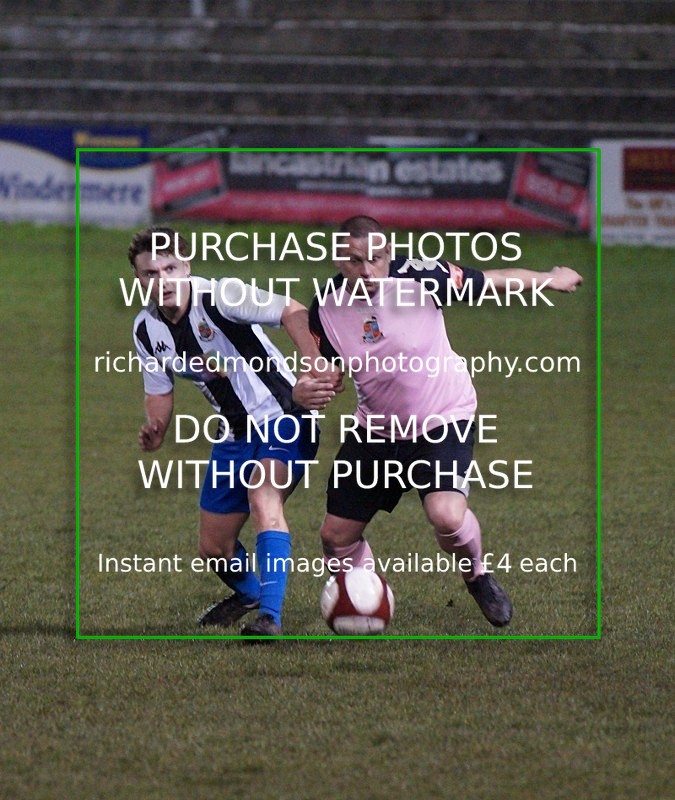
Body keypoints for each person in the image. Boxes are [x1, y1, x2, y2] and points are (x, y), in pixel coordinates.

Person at [303, 215, 583, 628]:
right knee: (335, 537)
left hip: (443, 418)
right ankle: (363, 598)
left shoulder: (422, 277)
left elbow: (492, 280)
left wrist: (548, 278)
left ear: (390, 253)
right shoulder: (324, 309)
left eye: (376, 258)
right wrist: (319, 384)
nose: (367, 270)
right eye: (354, 261)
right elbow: (327, 369)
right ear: (337, 260)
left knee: (448, 516)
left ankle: (478, 576)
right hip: (377, 430)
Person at [128, 226, 338, 636]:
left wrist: (316, 363)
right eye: (151, 273)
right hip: (234, 434)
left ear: (186, 266)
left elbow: (292, 310)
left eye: (171, 268)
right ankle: (250, 594)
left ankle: (270, 619)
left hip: (285, 415)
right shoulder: (145, 330)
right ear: (139, 280)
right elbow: (159, 389)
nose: (163, 280)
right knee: (215, 548)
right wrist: (157, 427)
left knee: (263, 496)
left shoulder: (221, 296)